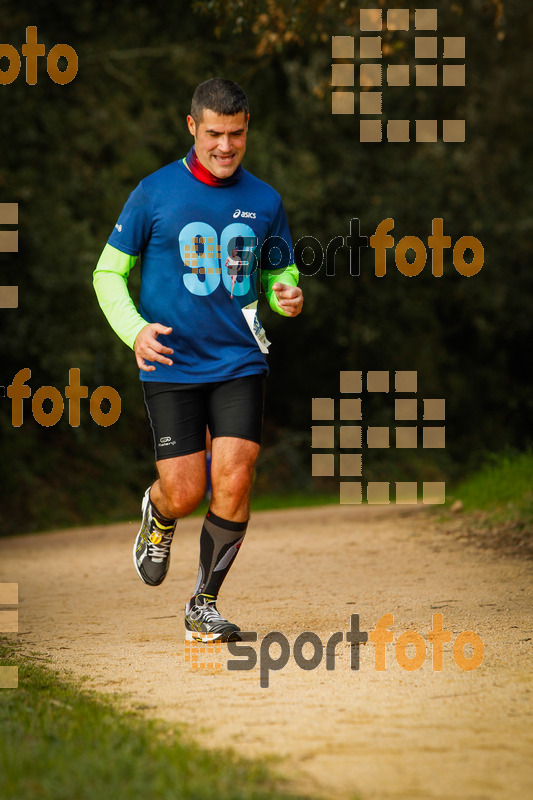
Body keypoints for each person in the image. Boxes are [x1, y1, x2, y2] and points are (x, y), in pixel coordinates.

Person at [93, 77, 303, 643]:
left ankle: (203, 604)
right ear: (192, 127)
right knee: (185, 492)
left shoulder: (265, 200)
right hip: (171, 363)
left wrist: (287, 290)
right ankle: (158, 513)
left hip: (239, 359)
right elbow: (107, 272)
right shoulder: (154, 193)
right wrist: (133, 330)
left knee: (234, 475)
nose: (225, 146)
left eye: (236, 134)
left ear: (247, 129)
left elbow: (279, 268)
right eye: (214, 133)